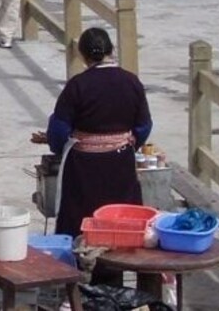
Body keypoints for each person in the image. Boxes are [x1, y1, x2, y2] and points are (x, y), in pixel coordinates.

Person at [35, 28, 151, 277]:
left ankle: (78, 286)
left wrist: (62, 144)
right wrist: (129, 143)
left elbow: (58, 130)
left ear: (84, 56)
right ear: (112, 51)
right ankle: (114, 280)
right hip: (120, 165)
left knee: (80, 222)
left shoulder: (78, 86)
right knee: (117, 225)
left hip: (83, 168)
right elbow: (143, 126)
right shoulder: (131, 82)